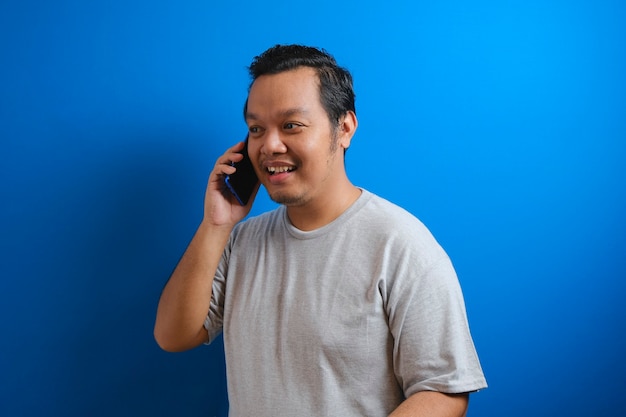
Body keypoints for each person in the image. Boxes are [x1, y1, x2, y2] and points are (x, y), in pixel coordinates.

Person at [154, 44, 487, 416]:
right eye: (256, 129)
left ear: (343, 128)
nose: (269, 145)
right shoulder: (241, 241)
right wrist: (216, 225)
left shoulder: (401, 243)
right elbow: (173, 335)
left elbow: (444, 391)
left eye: (291, 126)